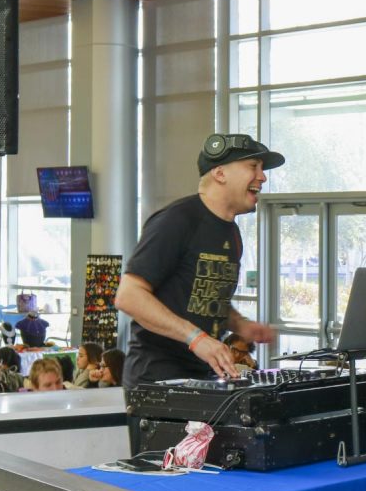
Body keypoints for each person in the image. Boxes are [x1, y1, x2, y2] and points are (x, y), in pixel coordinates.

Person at [115, 133, 281, 388]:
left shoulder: (230, 232)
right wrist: (196, 338)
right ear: (220, 173)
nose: (262, 176)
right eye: (253, 167)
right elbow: (129, 296)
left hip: (201, 373)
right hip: (156, 378)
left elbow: (203, 297)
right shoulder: (177, 220)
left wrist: (240, 324)